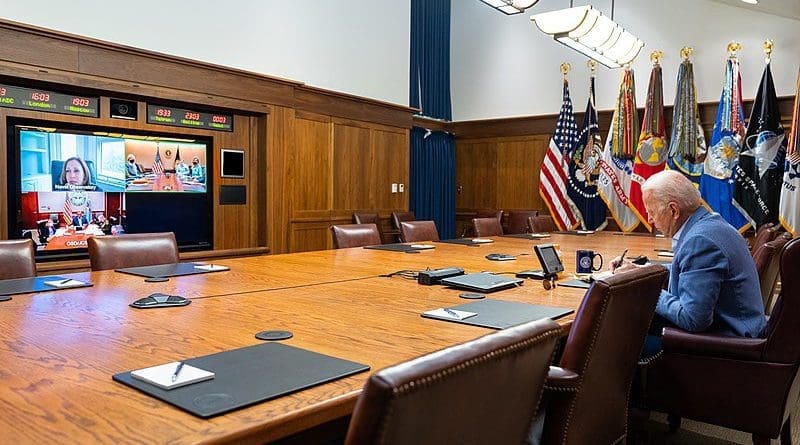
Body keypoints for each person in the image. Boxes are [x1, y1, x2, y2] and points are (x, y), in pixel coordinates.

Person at [613, 170, 765, 344]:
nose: (649, 220)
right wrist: (639, 272)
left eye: (652, 213)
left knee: (619, 333)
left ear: (673, 210)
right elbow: (688, 272)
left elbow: (693, 319)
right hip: (736, 330)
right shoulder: (709, 224)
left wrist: (644, 289)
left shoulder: (700, 241)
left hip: (727, 345)